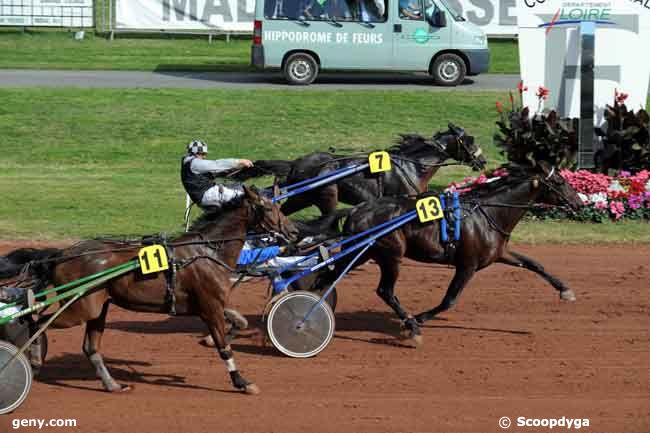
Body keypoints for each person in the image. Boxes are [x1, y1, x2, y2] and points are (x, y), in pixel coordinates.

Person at [181, 140, 254, 212]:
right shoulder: (195, 163)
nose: (204, 157)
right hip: (207, 194)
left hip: (205, 195)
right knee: (247, 197)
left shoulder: (189, 163)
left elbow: (217, 171)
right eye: (203, 154)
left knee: (240, 186)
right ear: (196, 153)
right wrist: (239, 161)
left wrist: (237, 167)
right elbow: (217, 164)